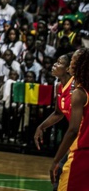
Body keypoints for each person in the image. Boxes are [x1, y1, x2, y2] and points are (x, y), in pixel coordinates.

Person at [49, 48, 89, 190]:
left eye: (73, 60)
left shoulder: (79, 93)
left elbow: (73, 130)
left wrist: (56, 160)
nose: (71, 63)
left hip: (81, 154)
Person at [34, 52, 74, 190]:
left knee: (61, 170)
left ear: (68, 68)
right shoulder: (59, 86)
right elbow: (58, 113)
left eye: (59, 63)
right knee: (59, 173)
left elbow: (75, 128)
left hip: (81, 138)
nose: (54, 65)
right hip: (77, 138)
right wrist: (41, 127)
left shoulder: (77, 89)